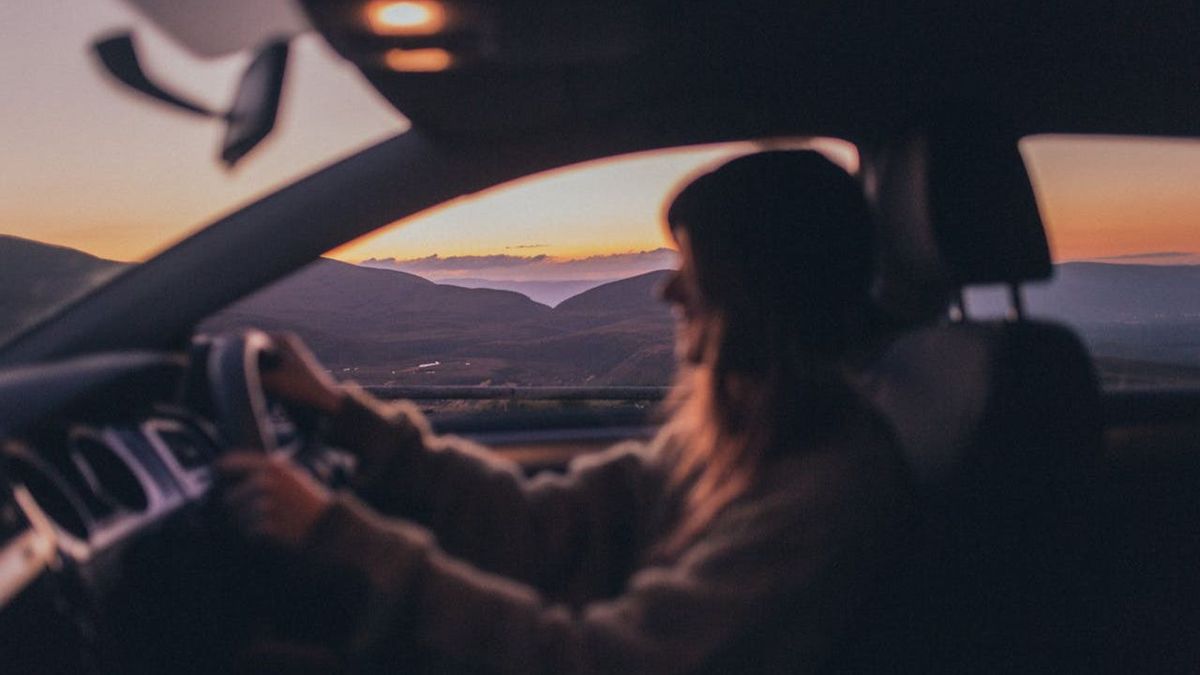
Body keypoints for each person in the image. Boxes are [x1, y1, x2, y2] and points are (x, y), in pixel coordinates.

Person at [217, 150, 915, 674]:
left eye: (694, 267)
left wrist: (338, 532)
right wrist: (345, 415)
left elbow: (599, 662)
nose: (669, 291)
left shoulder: (825, 498)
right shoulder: (736, 436)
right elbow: (541, 524)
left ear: (761, 290)